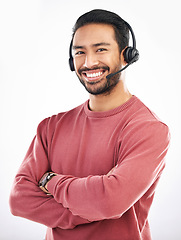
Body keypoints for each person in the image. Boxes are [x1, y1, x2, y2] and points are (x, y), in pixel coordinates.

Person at [9, 9, 170, 240]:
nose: (89, 62)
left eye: (101, 49)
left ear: (127, 55)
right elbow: (19, 200)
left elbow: (110, 201)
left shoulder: (148, 129)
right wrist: (93, 206)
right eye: (80, 52)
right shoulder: (50, 127)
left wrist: (50, 181)